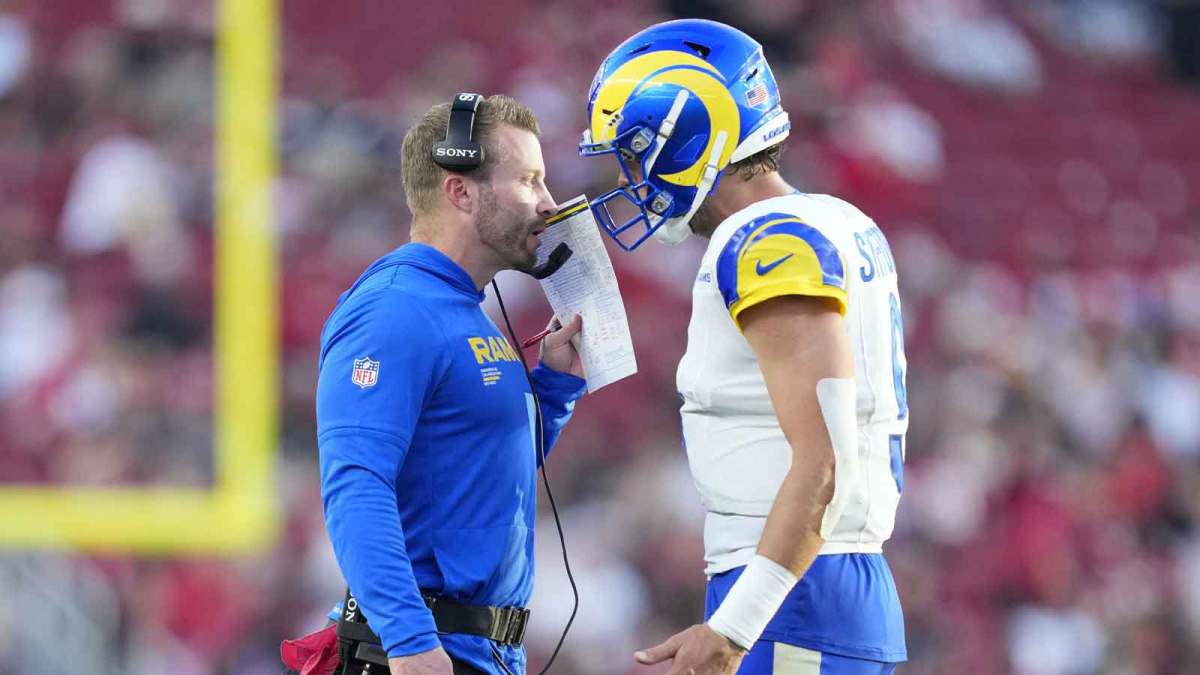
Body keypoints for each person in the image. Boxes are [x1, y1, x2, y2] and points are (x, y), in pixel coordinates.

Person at [578, 19, 908, 675]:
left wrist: (732, 626)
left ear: (691, 133)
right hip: (805, 581)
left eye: (638, 149)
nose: (632, 175)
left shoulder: (766, 240)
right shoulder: (833, 221)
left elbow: (825, 463)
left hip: (797, 591)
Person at [316, 94, 587, 675]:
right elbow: (355, 486)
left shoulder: (464, 310)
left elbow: (481, 477)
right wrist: (410, 642)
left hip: (476, 651)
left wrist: (555, 391)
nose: (549, 204)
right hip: (424, 652)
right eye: (530, 181)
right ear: (460, 191)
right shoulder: (395, 309)